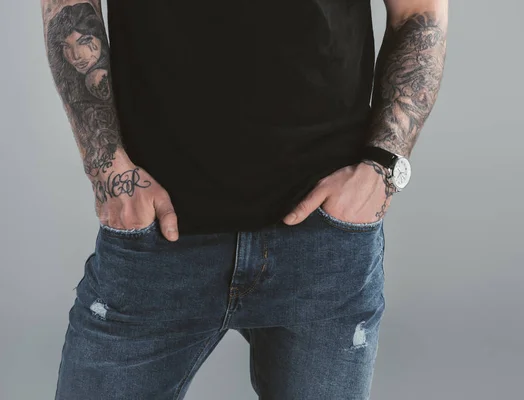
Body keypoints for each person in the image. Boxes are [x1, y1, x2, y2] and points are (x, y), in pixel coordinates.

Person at [41, 0, 447, 398]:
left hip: (325, 244)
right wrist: (106, 168)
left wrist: (382, 167)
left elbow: (418, 12)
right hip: (156, 241)